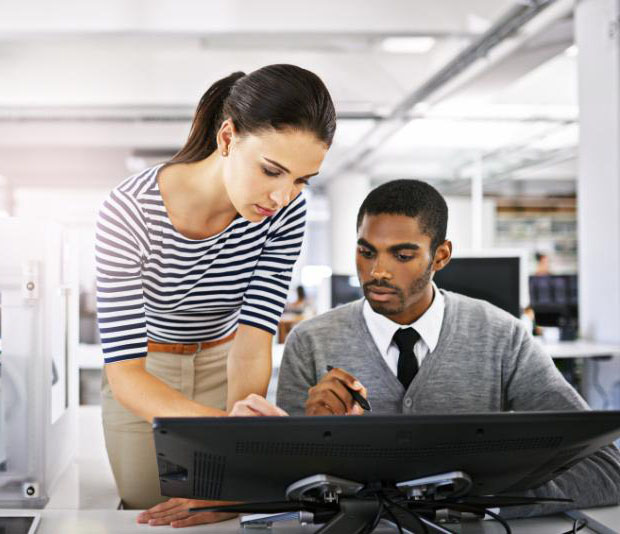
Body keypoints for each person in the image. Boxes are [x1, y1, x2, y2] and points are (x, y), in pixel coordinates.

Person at [276, 179, 620, 518]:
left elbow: (606, 470)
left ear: (440, 256)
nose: (377, 271)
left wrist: (477, 504)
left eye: (402, 254)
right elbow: (281, 489)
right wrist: (316, 441)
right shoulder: (310, 343)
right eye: (366, 252)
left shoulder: (502, 337)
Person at [95, 64, 336, 517]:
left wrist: (236, 460)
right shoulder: (128, 211)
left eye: (302, 180)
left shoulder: (284, 213)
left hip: (225, 364)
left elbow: (253, 337)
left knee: (225, 509)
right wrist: (230, 435)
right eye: (271, 171)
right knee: (149, 506)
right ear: (227, 139)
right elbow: (125, 372)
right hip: (148, 372)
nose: (283, 196)